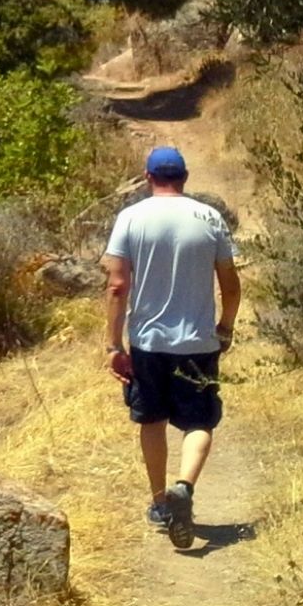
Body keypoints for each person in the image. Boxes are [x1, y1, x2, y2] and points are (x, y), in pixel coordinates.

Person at [102, 145, 241, 549]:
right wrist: (225, 328)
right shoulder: (209, 218)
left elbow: (116, 285)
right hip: (198, 341)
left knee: (152, 420)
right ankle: (185, 486)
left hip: (148, 342)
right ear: (185, 177)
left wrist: (113, 344)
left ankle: (161, 502)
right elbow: (230, 284)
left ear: (148, 177)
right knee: (199, 422)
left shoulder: (130, 218)